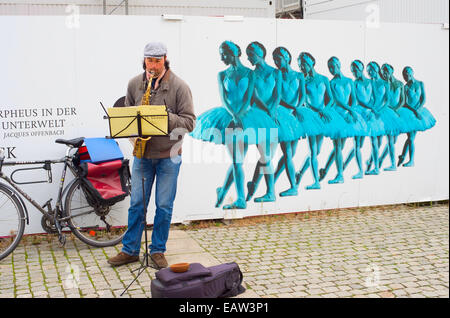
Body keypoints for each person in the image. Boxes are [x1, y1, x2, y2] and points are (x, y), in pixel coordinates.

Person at [107, 42, 196, 268]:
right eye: (149, 61)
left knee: (164, 205)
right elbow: (127, 118)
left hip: (169, 155)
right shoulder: (134, 84)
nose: (153, 66)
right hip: (143, 155)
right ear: (144, 59)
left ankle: (157, 250)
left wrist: (166, 117)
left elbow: (189, 123)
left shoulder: (180, 86)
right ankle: (130, 250)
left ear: (165, 59)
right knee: (137, 203)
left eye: (157, 61)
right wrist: (134, 138)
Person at [190, 41, 276, 209]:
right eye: (220, 54)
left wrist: (253, 114)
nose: (221, 57)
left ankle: (223, 191)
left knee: (264, 156)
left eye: (223, 53)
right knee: (237, 161)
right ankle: (240, 199)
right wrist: (233, 115)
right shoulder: (222, 74)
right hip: (227, 116)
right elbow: (223, 98)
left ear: (234, 53)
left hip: (250, 117)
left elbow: (250, 97)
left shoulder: (250, 74)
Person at [397, 66, 436, 167]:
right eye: (404, 75)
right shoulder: (405, 87)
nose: (406, 77)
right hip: (409, 112)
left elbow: (423, 98)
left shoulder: (420, 83)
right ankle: (408, 159)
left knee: (411, 138)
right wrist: (414, 111)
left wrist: (418, 109)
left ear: (412, 73)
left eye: (408, 74)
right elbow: (405, 102)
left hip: (420, 111)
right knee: (411, 137)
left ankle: (405, 157)